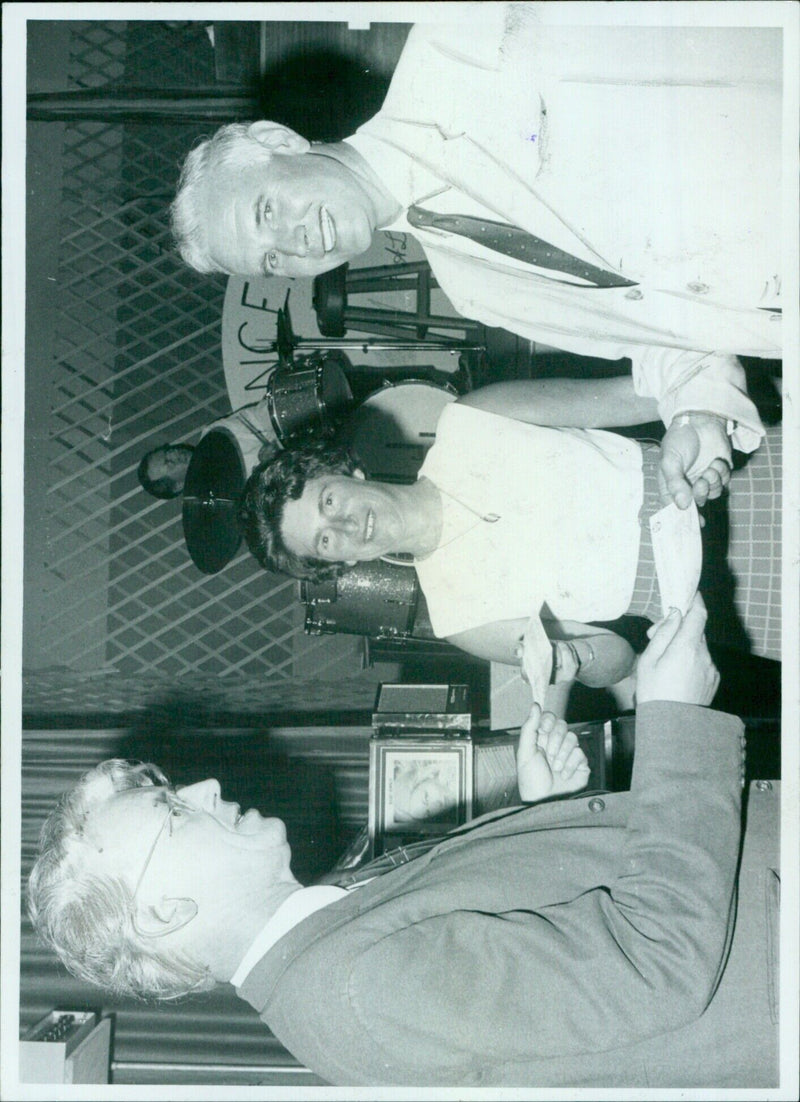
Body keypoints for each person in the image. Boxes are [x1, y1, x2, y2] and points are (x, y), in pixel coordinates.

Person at [26, 596, 780, 1086]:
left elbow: (546, 956)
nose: (205, 789)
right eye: (172, 810)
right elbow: (657, 962)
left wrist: (540, 810)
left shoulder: (328, 929)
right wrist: (679, 719)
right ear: (164, 915)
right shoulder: (355, 992)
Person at [169, 5, 783, 512]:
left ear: (281, 142)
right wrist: (699, 406)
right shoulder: (477, 292)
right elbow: (662, 320)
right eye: (272, 262)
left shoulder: (463, 40)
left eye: (267, 213)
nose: (294, 244)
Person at [238, 377, 782, 681]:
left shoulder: (472, 419)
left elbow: (635, 393)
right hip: (733, 600)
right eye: (326, 540)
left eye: (329, 500)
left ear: (347, 470)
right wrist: (569, 661)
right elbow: (615, 660)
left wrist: (698, 426)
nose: (346, 523)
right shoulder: (460, 620)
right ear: (341, 564)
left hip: (730, 472)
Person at [137, 398, 280, 500]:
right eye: (169, 462)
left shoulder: (213, 433)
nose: (175, 453)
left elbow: (260, 415)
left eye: (168, 451)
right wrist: (265, 467)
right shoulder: (222, 499)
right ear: (178, 486)